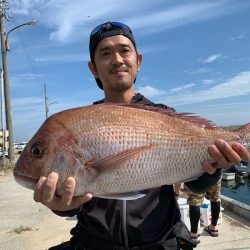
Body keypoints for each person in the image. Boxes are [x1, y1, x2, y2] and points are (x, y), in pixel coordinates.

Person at [33, 22, 250, 250]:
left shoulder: (166, 116)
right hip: (93, 243)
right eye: (105, 53)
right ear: (93, 68)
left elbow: (195, 186)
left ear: (138, 61)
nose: (117, 59)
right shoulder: (82, 123)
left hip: (159, 243)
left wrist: (214, 167)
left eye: (125, 51)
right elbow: (75, 203)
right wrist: (61, 204)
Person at [184, 177, 222, 244]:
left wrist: (177, 192)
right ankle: (213, 228)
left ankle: (193, 235)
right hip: (215, 174)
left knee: (194, 201)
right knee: (215, 198)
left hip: (197, 176)